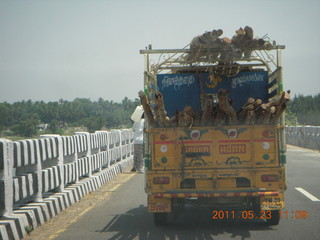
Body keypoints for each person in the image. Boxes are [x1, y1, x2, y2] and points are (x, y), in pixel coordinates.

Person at [131, 106, 145, 172]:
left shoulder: (136, 122)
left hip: (136, 140)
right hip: (141, 140)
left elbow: (133, 129)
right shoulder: (144, 121)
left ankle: (135, 167)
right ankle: (140, 168)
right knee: (141, 155)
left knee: (136, 155)